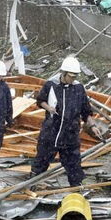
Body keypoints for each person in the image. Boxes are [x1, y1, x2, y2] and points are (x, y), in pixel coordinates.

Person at [30, 56, 96, 186]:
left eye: (75, 76)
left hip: (70, 135)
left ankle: (76, 190)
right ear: (63, 73)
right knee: (41, 162)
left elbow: (86, 111)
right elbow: (40, 100)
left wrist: (92, 125)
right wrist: (49, 108)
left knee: (74, 166)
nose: (73, 79)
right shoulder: (51, 85)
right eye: (71, 76)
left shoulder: (78, 89)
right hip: (51, 133)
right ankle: (31, 186)